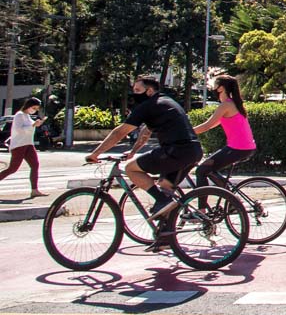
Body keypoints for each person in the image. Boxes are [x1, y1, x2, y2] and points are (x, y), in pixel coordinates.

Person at [85, 75, 204, 249]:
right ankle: (165, 236)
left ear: (149, 91)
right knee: (166, 186)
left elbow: (120, 132)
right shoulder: (164, 102)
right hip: (191, 151)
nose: (134, 95)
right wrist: (133, 151)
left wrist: (95, 153)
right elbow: (146, 132)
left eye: (137, 91)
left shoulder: (148, 106)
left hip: (175, 151)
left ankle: (161, 200)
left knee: (131, 169)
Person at [192, 75, 256, 189]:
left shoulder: (226, 105)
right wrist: (192, 131)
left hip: (238, 148)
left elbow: (207, 125)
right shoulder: (232, 104)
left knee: (201, 171)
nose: (213, 87)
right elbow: (211, 125)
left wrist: (186, 132)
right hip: (241, 147)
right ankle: (230, 199)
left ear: (221, 88)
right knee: (207, 170)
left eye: (215, 84)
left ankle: (205, 207)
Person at [0, 97, 48, 198]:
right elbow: (19, 129)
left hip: (28, 144)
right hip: (19, 145)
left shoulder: (27, 116)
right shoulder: (19, 115)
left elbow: (30, 128)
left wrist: (36, 125)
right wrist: (33, 125)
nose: (34, 110)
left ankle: (34, 190)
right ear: (28, 106)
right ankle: (34, 190)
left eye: (36, 108)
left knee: (35, 165)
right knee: (13, 168)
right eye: (34, 108)